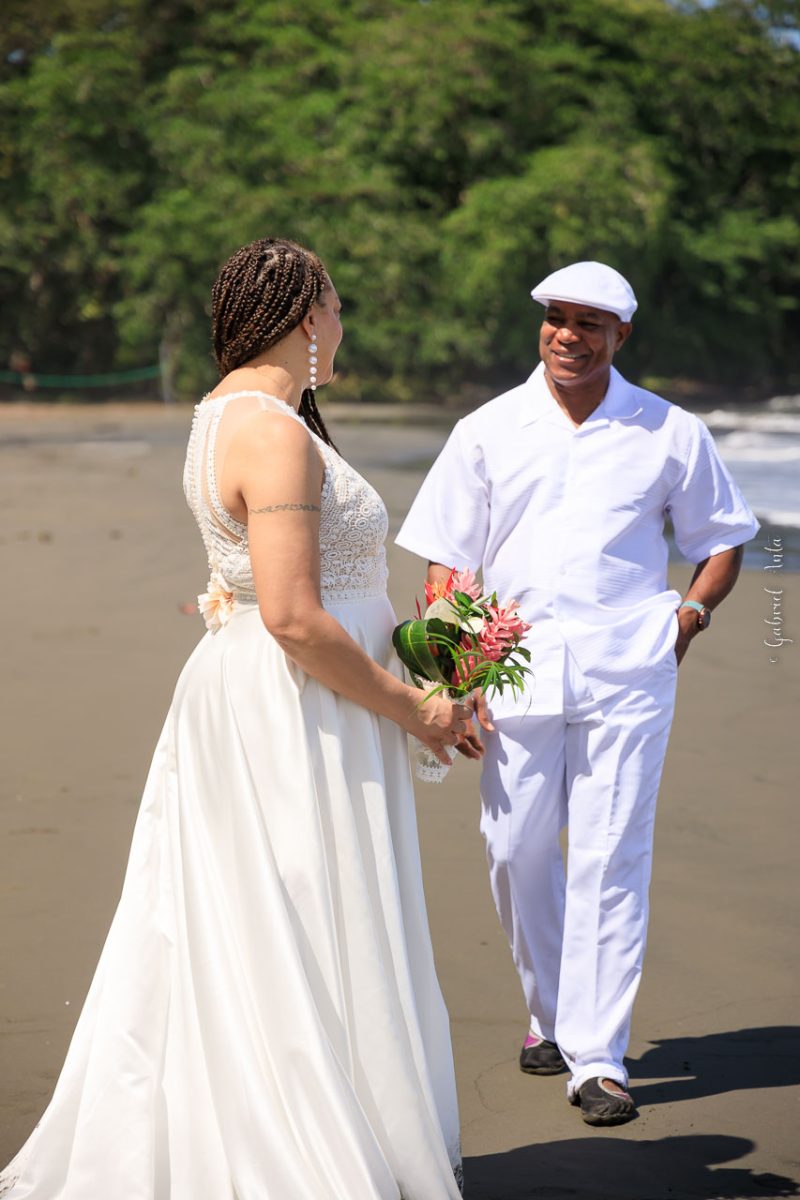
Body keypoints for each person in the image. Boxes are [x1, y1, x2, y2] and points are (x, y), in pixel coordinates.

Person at [0, 238, 471, 1198]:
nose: (343, 329)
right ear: (307, 318)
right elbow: (293, 615)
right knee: (298, 909)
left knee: (275, 914)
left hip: (276, 693)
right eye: (337, 309)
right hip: (298, 706)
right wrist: (416, 707)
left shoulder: (225, 416)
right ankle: (295, 1149)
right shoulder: (270, 428)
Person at [396, 261, 758, 1127]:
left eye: (589, 323)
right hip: (512, 669)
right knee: (515, 847)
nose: (569, 335)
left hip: (630, 669)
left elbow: (726, 538)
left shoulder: (670, 431)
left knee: (611, 858)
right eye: (556, 318)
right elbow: (449, 562)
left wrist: (691, 617)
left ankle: (597, 1058)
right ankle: (551, 1012)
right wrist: (459, 675)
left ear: (621, 336)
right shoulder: (487, 429)